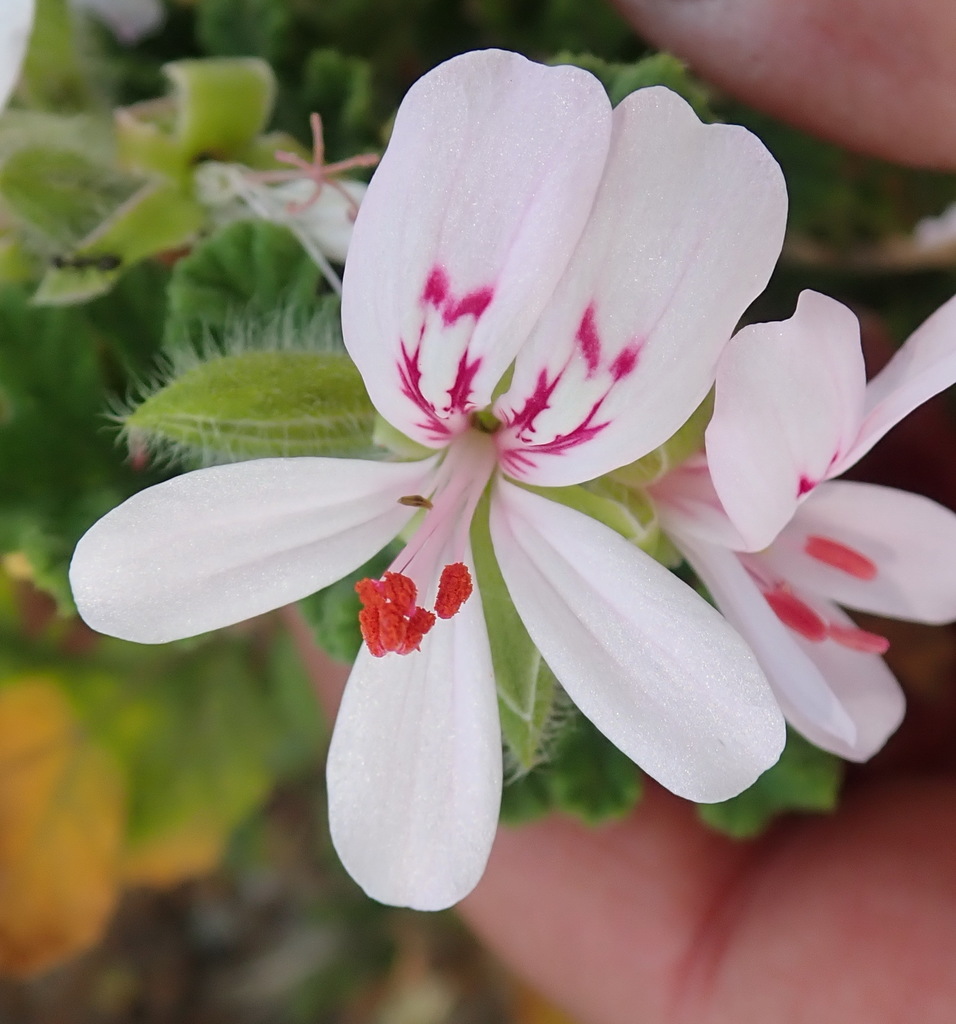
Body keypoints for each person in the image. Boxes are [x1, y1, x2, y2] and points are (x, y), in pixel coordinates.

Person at [303, 4, 956, 1019]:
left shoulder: (535, 479)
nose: (408, 582)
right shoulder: (516, 482)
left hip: (511, 435)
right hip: (517, 436)